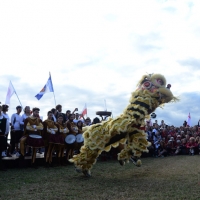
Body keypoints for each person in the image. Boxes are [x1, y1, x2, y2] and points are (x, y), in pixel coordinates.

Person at [0, 104, 8, 171]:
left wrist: (5, 134)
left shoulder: (4, 119)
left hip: (1, 136)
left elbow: (6, 128)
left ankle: (1, 166)